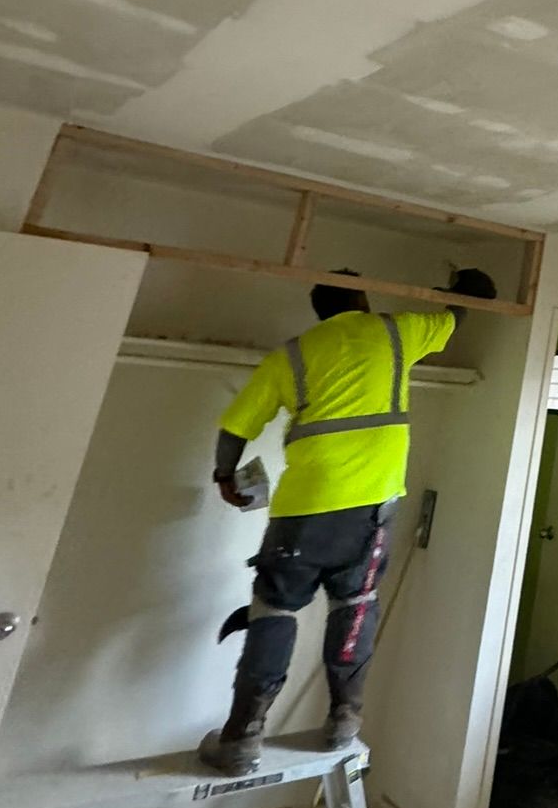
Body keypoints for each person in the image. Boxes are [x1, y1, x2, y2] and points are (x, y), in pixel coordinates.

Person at [200, 265, 496, 773]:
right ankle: (343, 722)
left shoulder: (291, 354)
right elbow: (453, 318)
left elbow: (236, 425)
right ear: (359, 297)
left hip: (301, 514)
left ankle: (242, 739)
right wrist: (467, 288)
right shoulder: (394, 331)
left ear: (319, 308)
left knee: (274, 612)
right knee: (355, 606)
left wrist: (225, 475)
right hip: (371, 512)